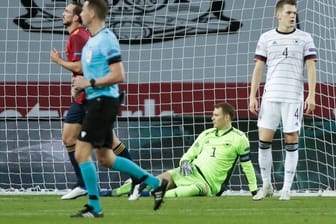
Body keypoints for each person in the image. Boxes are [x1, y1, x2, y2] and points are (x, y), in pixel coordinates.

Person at [70, 0, 168, 218]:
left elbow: (118, 75)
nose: (81, 13)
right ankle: (155, 183)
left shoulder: (107, 39)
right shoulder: (91, 42)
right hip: (94, 101)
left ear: (92, 14)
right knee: (105, 158)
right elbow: (92, 73)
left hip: (104, 102)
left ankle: (95, 206)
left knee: (81, 152)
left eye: (84, 10)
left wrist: (89, 84)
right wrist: (80, 86)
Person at [50, 1, 135, 200]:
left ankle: (139, 178)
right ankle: (85, 184)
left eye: (67, 11)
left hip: (92, 97)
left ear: (77, 17)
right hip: (85, 96)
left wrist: (59, 62)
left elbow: (80, 67)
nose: (63, 14)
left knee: (106, 146)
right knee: (70, 138)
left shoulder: (79, 37)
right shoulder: (77, 36)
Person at [249, 0, 317, 201]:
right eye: (288, 12)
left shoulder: (305, 38)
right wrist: (253, 95)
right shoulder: (266, 38)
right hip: (270, 97)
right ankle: (267, 185)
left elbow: (311, 67)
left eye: (294, 13)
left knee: (292, 139)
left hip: (293, 97)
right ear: (278, 15)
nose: (292, 16)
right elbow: (259, 68)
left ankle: (286, 188)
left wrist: (311, 95)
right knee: (264, 140)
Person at [116, 103, 258, 199]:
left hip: (208, 185)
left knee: (192, 190)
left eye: (216, 115)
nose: (212, 118)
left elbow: (247, 166)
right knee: (153, 180)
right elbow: (189, 154)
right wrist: (184, 162)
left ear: (227, 117)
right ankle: (113, 192)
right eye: (213, 114)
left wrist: (254, 190)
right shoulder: (207, 134)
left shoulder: (239, 138)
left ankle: (145, 195)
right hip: (190, 172)